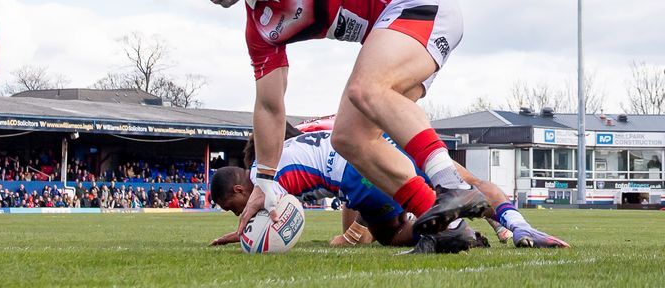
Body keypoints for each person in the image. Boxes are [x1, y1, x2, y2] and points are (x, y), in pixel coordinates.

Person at [173, 0, 498, 236]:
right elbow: (269, 108)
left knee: (366, 88)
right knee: (348, 138)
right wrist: (264, 185)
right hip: (390, 32)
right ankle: (447, 230)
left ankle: (452, 186)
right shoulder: (260, 31)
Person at [211, 122, 569, 251]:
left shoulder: (263, 172)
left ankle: (448, 232)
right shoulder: (293, 145)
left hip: (356, 173)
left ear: (239, 191)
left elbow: (279, 219)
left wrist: (243, 233)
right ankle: (519, 227)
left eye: (233, 208)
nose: (239, 213)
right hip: (383, 144)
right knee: (466, 182)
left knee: (390, 232)